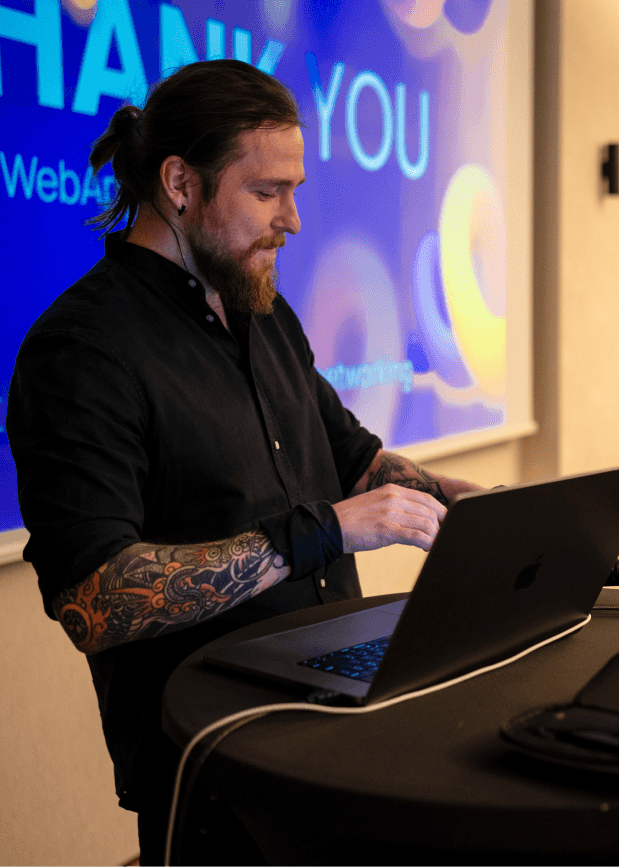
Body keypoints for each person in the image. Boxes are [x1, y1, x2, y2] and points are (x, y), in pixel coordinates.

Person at [5, 61, 478, 865]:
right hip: (216, 760)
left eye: (294, 190)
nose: (292, 218)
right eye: (267, 192)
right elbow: (94, 600)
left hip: (338, 714)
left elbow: (354, 461)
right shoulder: (82, 349)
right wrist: (317, 533)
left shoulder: (265, 310)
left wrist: (467, 503)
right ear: (180, 184)